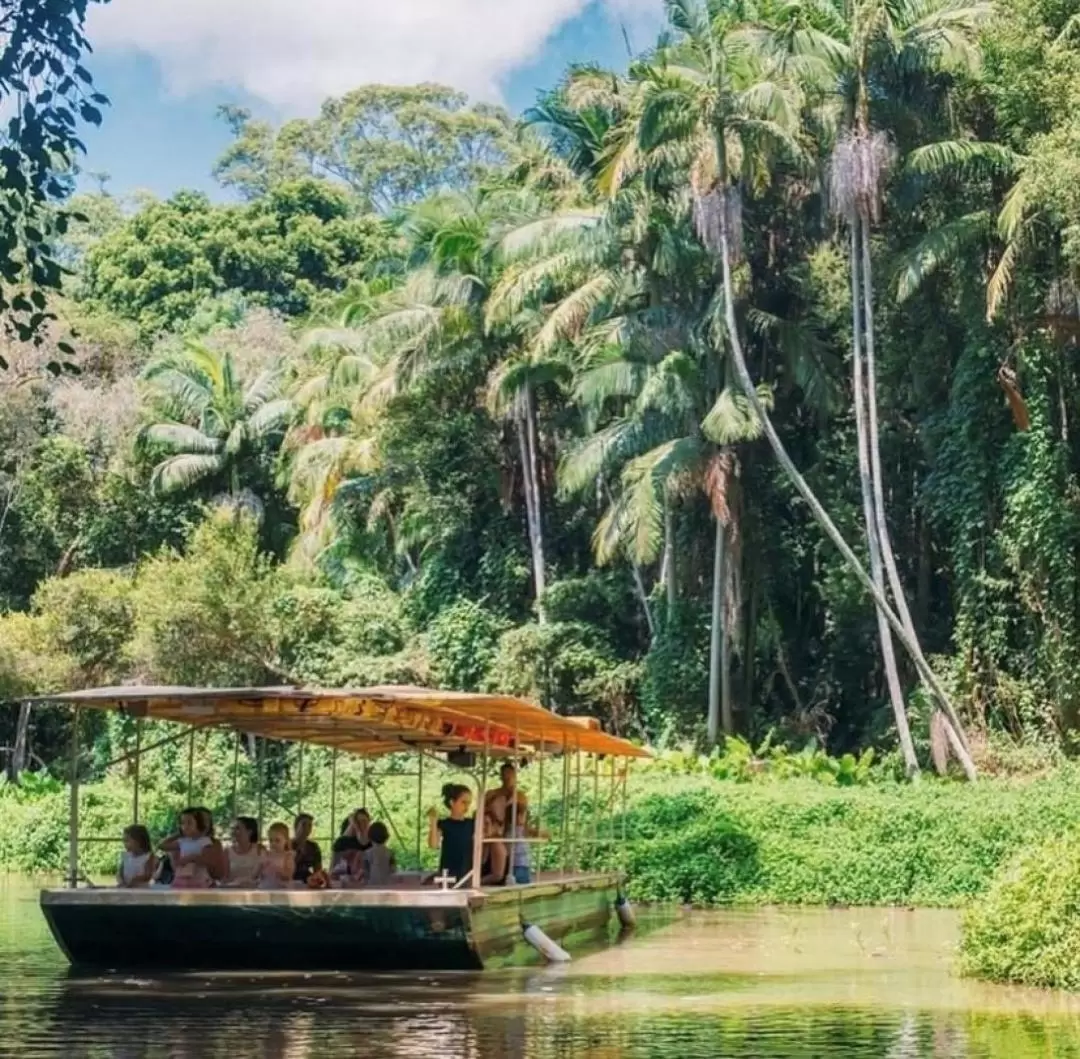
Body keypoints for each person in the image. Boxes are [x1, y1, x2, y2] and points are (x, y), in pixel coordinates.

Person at [427, 784, 474, 885]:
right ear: (452, 802)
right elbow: (433, 845)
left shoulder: (472, 823)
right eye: (463, 802)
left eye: (468, 803)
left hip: (467, 872)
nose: (466, 807)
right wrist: (433, 822)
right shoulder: (444, 824)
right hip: (448, 872)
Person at [159, 808, 212, 889]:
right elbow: (162, 846)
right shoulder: (182, 842)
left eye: (189, 823)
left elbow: (207, 860)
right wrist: (178, 834)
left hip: (197, 879)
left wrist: (191, 858)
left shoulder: (204, 841)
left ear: (198, 824)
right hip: (181, 878)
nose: (185, 826)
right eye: (183, 823)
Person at [225, 817, 263, 887]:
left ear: (249, 832)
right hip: (234, 890)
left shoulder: (259, 849)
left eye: (237, 828)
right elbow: (225, 878)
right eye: (232, 829)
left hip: (256, 891)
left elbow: (264, 874)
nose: (233, 832)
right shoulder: (227, 852)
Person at [363, 822, 396, 887]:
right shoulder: (390, 853)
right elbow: (393, 869)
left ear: (370, 836)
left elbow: (366, 872)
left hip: (372, 886)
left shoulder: (367, 853)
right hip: (386, 885)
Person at [262, 822, 295, 888]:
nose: (273, 844)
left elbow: (288, 875)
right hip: (266, 886)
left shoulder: (287, 856)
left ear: (286, 840)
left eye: (277, 840)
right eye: (271, 840)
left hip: (282, 887)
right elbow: (257, 873)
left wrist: (277, 870)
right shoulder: (267, 855)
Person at [292, 813, 322, 884]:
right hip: (291, 880)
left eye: (309, 826)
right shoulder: (287, 845)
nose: (306, 828)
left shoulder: (313, 847)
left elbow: (318, 870)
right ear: (296, 827)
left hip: (307, 880)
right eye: (303, 825)